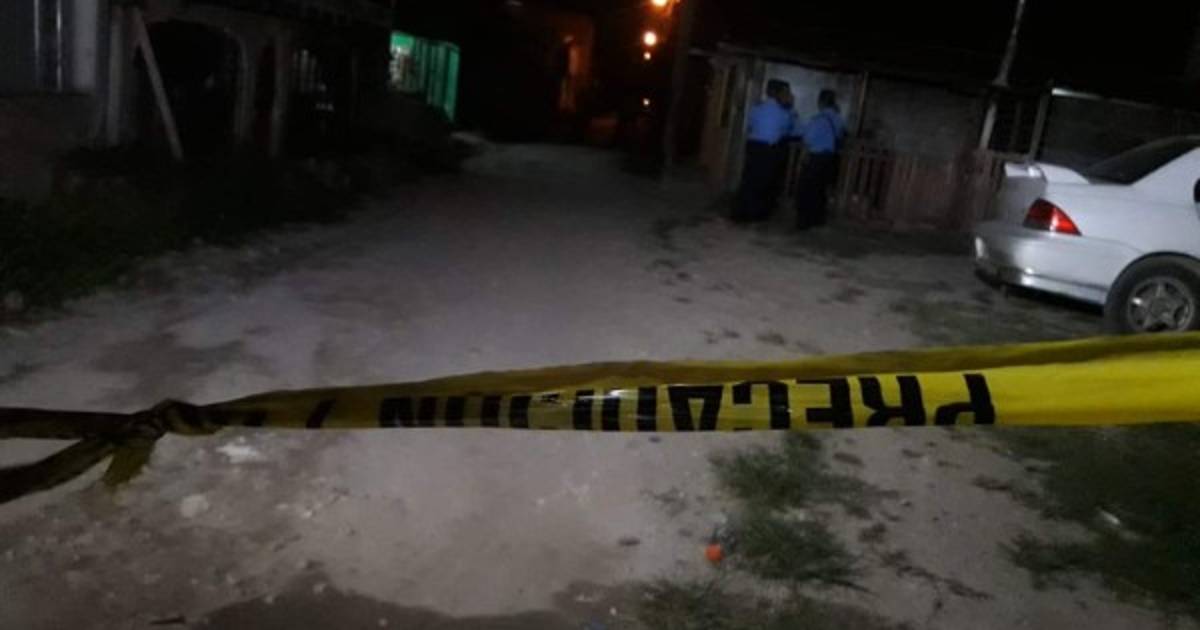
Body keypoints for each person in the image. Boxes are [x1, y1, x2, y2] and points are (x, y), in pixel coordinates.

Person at [733, 80, 795, 222]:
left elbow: (750, 125)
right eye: (785, 92)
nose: (786, 95)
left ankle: (741, 212)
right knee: (765, 182)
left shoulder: (756, 108)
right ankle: (757, 214)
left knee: (749, 179)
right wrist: (790, 108)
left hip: (753, 146)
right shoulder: (783, 112)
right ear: (778, 93)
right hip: (769, 150)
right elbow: (788, 130)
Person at [795, 89, 846, 229]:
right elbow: (840, 136)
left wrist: (802, 159)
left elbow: (807, 139)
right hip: (830, 158)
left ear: (820, 102)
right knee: (821, 189)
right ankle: (818, 219)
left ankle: (804, 220)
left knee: (806, 189)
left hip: (815, 158)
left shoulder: (818, 120)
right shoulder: (838, 119)